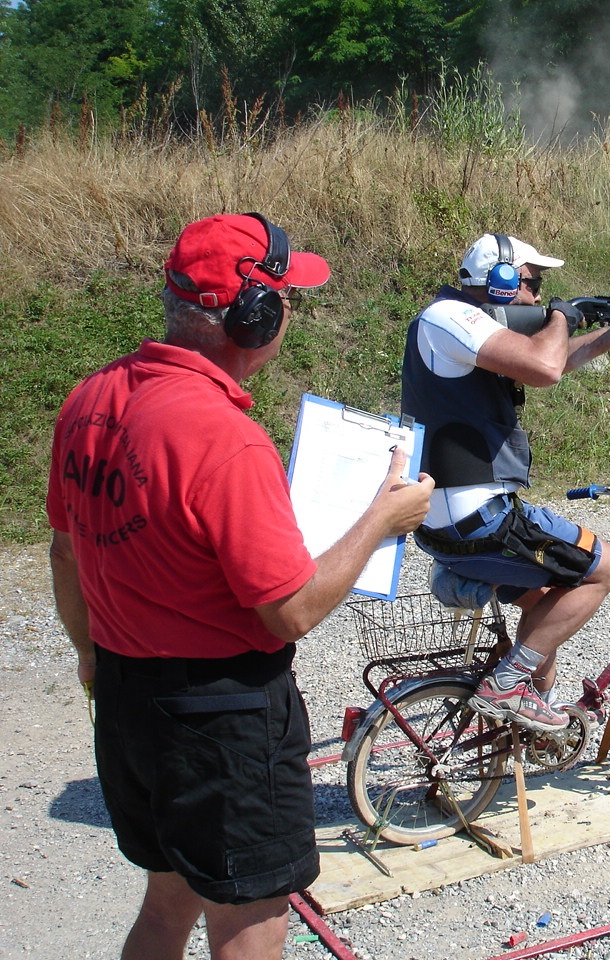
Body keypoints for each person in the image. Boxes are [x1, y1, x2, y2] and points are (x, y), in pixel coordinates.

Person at [46, 213, 433, 960]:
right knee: (252, 922)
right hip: (220, 719)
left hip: (130, 700)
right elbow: (290, 610)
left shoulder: (89, 400)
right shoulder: (222, 436)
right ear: (251, 317)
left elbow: (66, 554)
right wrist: (382, 520)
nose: (288, 318)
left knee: (168, 902)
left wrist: (92, 659)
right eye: (286, 303)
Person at [401, 232, 610, 734]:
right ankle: (506, 687)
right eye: (532, 284)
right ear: (500, 281)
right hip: (476, 515)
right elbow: (544, 366)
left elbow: (551, 360)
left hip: (447, 519)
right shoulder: (450, 317)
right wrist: (565, 316)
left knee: (549, 598)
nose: (539, 297)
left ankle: (528, 719)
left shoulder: (459, 324)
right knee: (603, 568)